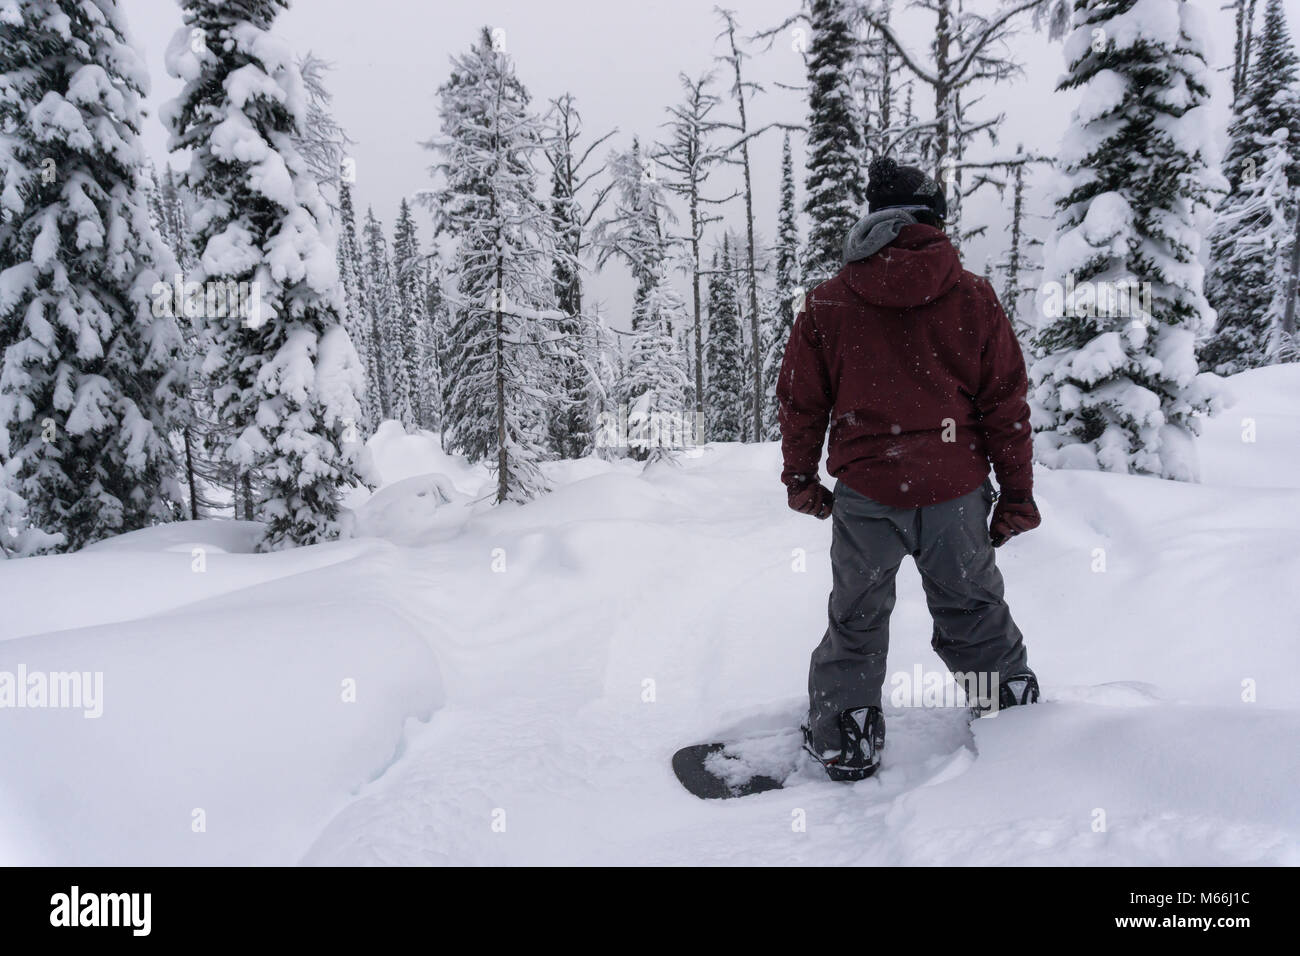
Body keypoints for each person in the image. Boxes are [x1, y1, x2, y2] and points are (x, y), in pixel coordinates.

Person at [776, 156, 1041, 782]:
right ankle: (1011, 715)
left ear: (875, 216)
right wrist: (1017, 496)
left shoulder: (828, 302)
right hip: (956, 493)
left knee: (858, 614)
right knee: (973, 608)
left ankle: (847, 734)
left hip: (867, 494)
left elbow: (800, 401)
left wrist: (802, 480)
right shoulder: (972, 295)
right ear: (934, 218)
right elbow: (1006, 405)